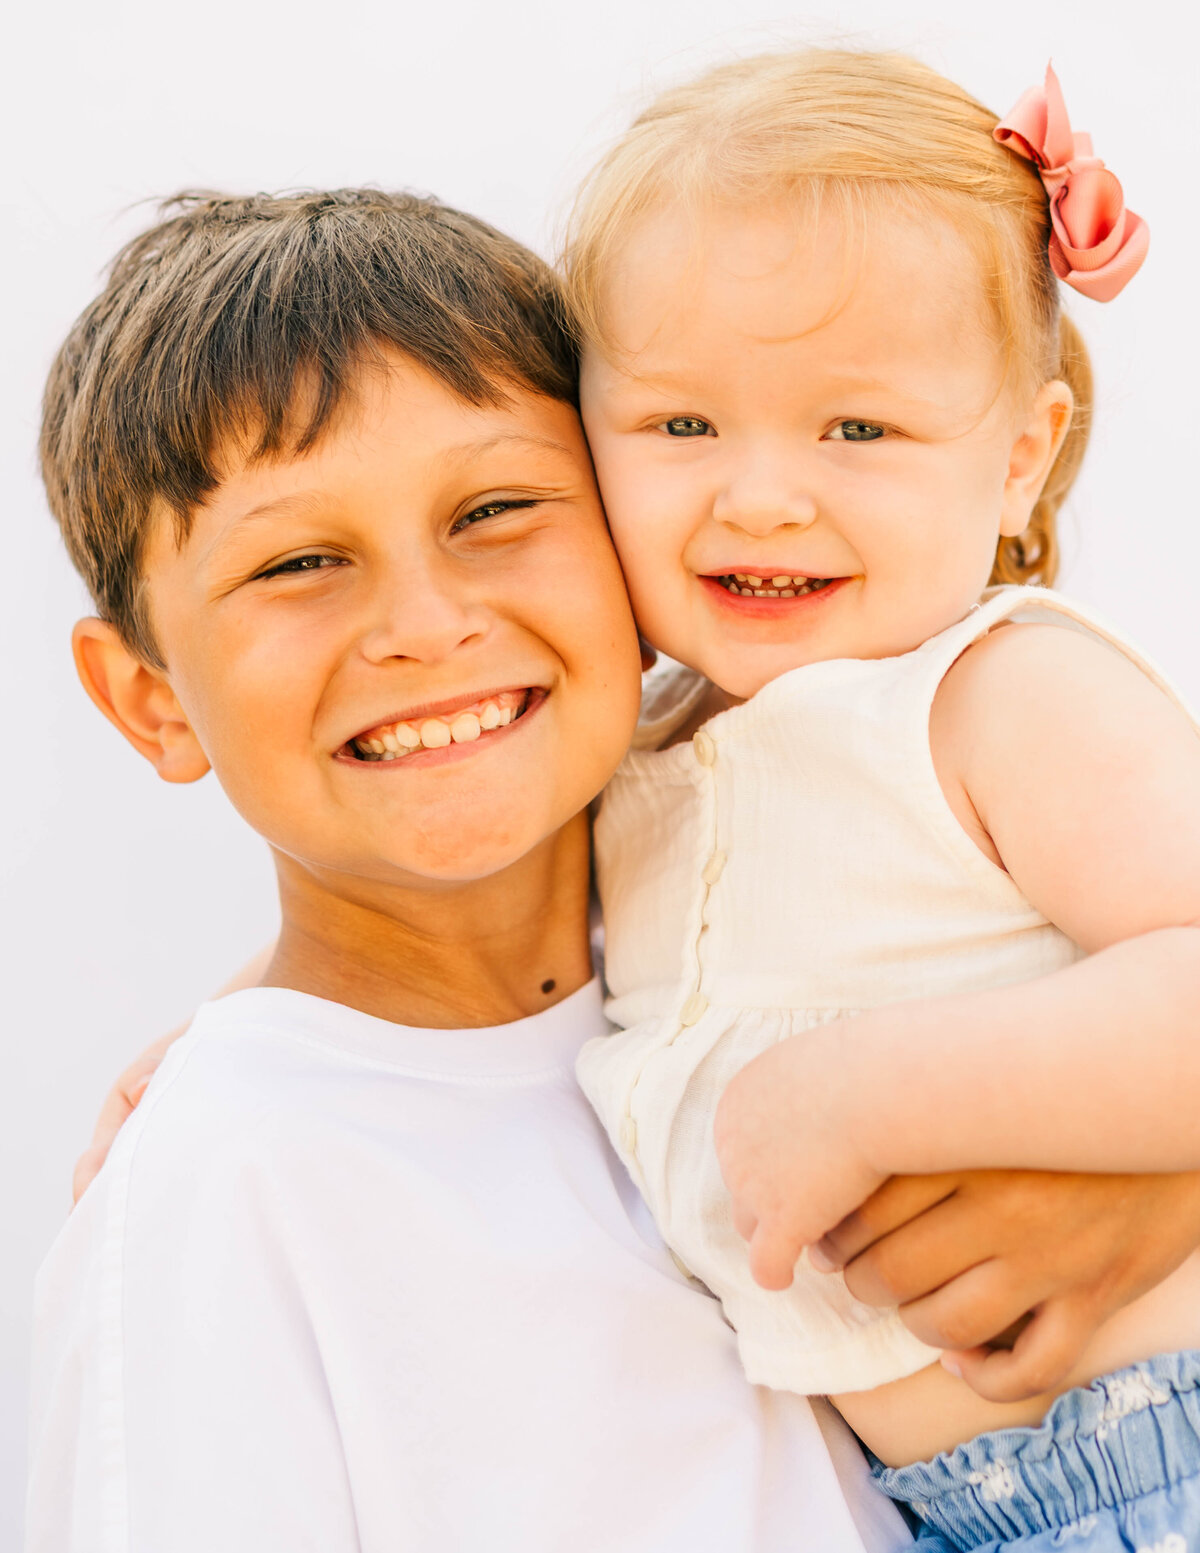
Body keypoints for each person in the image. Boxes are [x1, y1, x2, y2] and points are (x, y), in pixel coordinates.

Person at [33, 185, 1200, 1552]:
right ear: (151, 702)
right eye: (298, 560)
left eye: (499, 508)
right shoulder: (227, 1188)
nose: (428, 624)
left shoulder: (755, 930)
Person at [564, 49, 1200, 1548]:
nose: (764, 492)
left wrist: (866, 1089)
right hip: (948, 1513)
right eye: (679, 426)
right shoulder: (633, 756)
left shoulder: (998, 694)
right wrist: (240, 1016)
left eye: (858, 430)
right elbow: (464, 957)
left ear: (1019, 464)